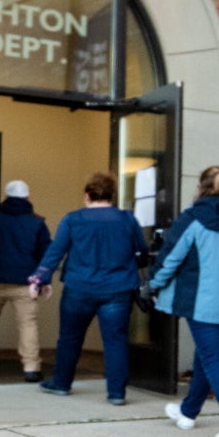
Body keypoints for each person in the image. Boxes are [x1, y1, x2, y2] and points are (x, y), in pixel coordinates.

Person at [144, 165, 219, 437]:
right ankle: (187, 413)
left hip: (203, 302)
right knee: (206, 356)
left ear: (201, 187)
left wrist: (151, 285)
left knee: (212, 359)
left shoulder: (194, 218)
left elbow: (170, 257)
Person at [28, 172, 148, 405]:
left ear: (87, 195)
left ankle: (61, 384)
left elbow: (55, 251)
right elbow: (142, 250)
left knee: (70, 337)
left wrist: (39, 279)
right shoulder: (127, 219)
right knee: (115, 340)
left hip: (79, 287)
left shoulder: (73, 219)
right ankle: (116, 393)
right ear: (112, 196)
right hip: (118, 288)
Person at [0, 180, 52, 381]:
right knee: (28, 324)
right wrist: (44, 281)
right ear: (28, 197)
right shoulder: (37, 222)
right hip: (25, 283)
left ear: (5, 197)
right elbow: (45, 254)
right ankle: (31, 367)